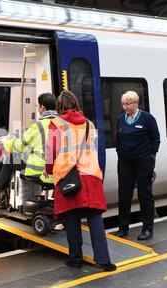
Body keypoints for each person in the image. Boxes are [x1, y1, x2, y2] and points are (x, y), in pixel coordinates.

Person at [45, 90, 116, 272]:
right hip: (91, 174)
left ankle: (75, 258)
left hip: (68, 176)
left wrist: (48, 171)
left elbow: (50, 152)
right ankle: (103, 260)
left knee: (71, 219)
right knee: (94, 218)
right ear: (76, 104)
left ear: (59, 106)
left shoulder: (55, 124)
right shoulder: (90, 124)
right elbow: (95, 149)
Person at [0, 93, 58, 199]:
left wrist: (4, 143)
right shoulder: (62, 124)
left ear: (43, 107)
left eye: (38, 106)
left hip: (40, 169)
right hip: (58, 170)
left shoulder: (39, 126)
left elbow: (20, 144)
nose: (37, 108)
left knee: (10, 160)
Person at [115, 91, 160, 241]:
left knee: (144, 194)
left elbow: (156, 138)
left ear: (136, 103)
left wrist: (151, 156)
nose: (125, 107)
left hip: (143, 162)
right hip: (125, 163)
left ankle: (147, 229)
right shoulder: (120, 120)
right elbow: (118, 140)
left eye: (128, 104)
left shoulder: (147, 118)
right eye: (123, 104)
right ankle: (123, 228)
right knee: (124, 194)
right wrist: (120, 154)